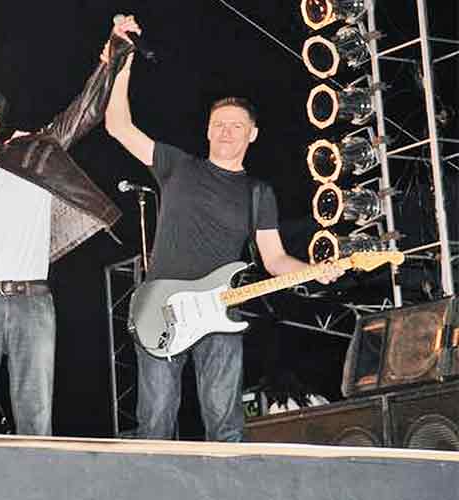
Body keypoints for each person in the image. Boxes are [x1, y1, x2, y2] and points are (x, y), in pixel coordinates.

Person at [104, 18, 340, 442]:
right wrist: (122, 61)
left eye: (236, 125)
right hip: (161, 308)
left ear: (252, 134)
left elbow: (274, 259)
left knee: (226, 426)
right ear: (208, 129)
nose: (226, 131)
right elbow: (118, 126)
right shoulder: (178, 166)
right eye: (219, 124)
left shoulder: (258, 193)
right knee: (156, 421)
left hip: (221, 311)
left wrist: (314, 270)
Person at [0, 18, 137, 435]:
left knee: (36, 419)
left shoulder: (31, 154)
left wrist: (113, 53)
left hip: (34, 301)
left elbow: (84, 113)